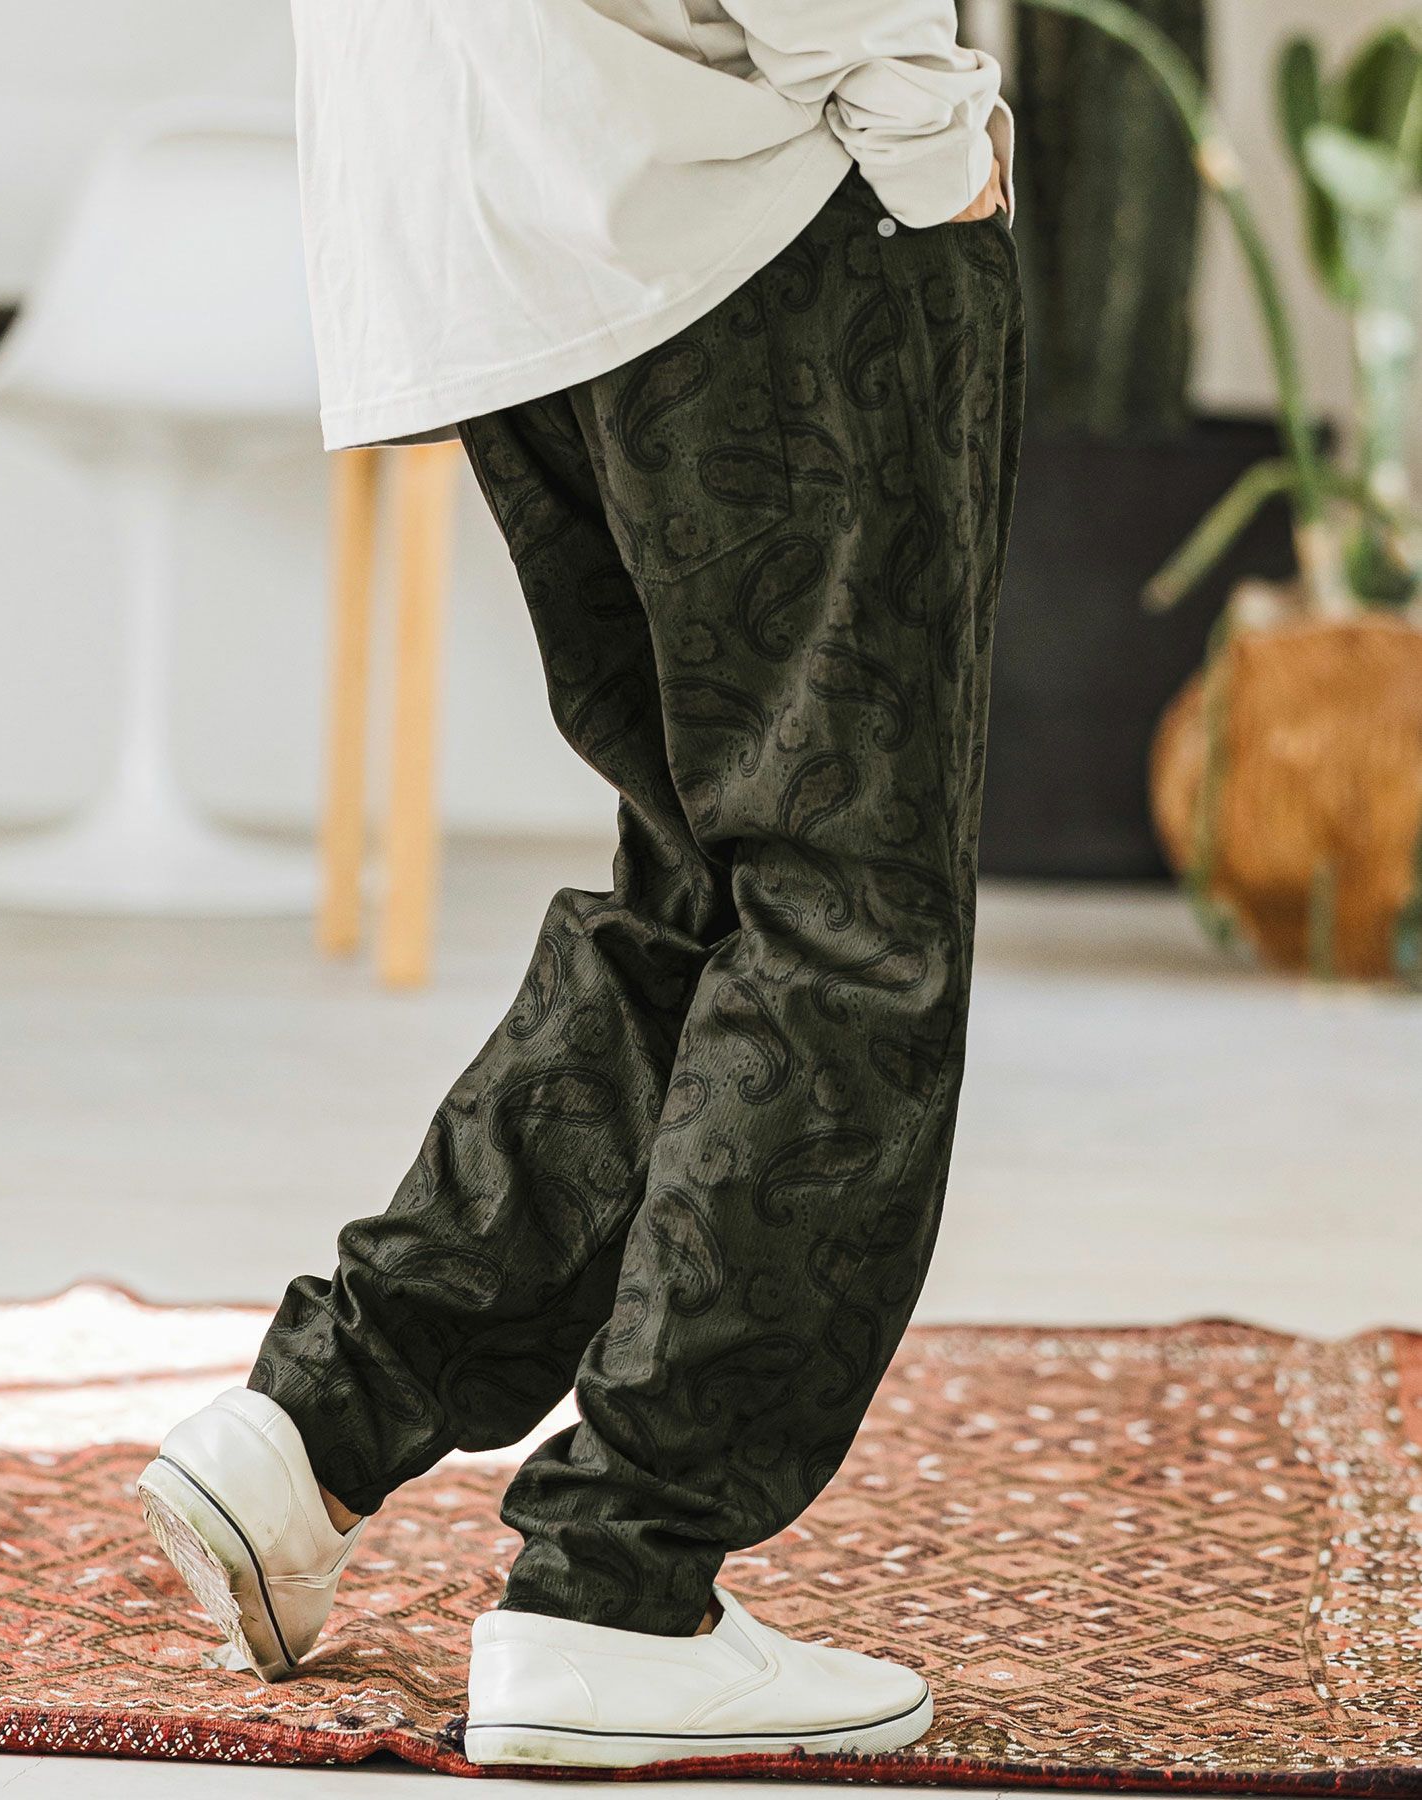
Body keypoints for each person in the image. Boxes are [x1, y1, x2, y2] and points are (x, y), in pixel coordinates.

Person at [137, 0, 1023, 1770]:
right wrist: (928, 119)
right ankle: (618, 1597)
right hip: (746, 200)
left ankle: (324, 1426)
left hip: (489, 216)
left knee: (708, 880)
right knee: (846, 912)